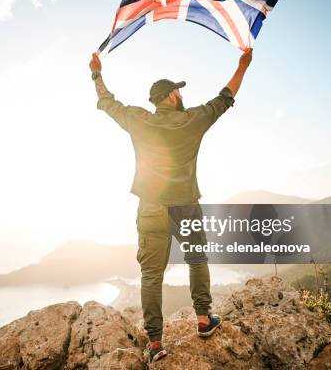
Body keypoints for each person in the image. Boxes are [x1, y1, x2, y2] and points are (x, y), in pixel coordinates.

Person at [89, 49, 253, 363]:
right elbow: (224, 98)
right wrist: (241, 66)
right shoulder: (193, 121)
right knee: (196, 259)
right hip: (186, 206)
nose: (180, 93)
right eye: (178, 90)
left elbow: (108, 102)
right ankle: (204, 320)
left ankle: (155, 344)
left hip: (151, 207)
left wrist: (97, 74)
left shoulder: (140, 120)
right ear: (171, 96)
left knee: (151, 276)